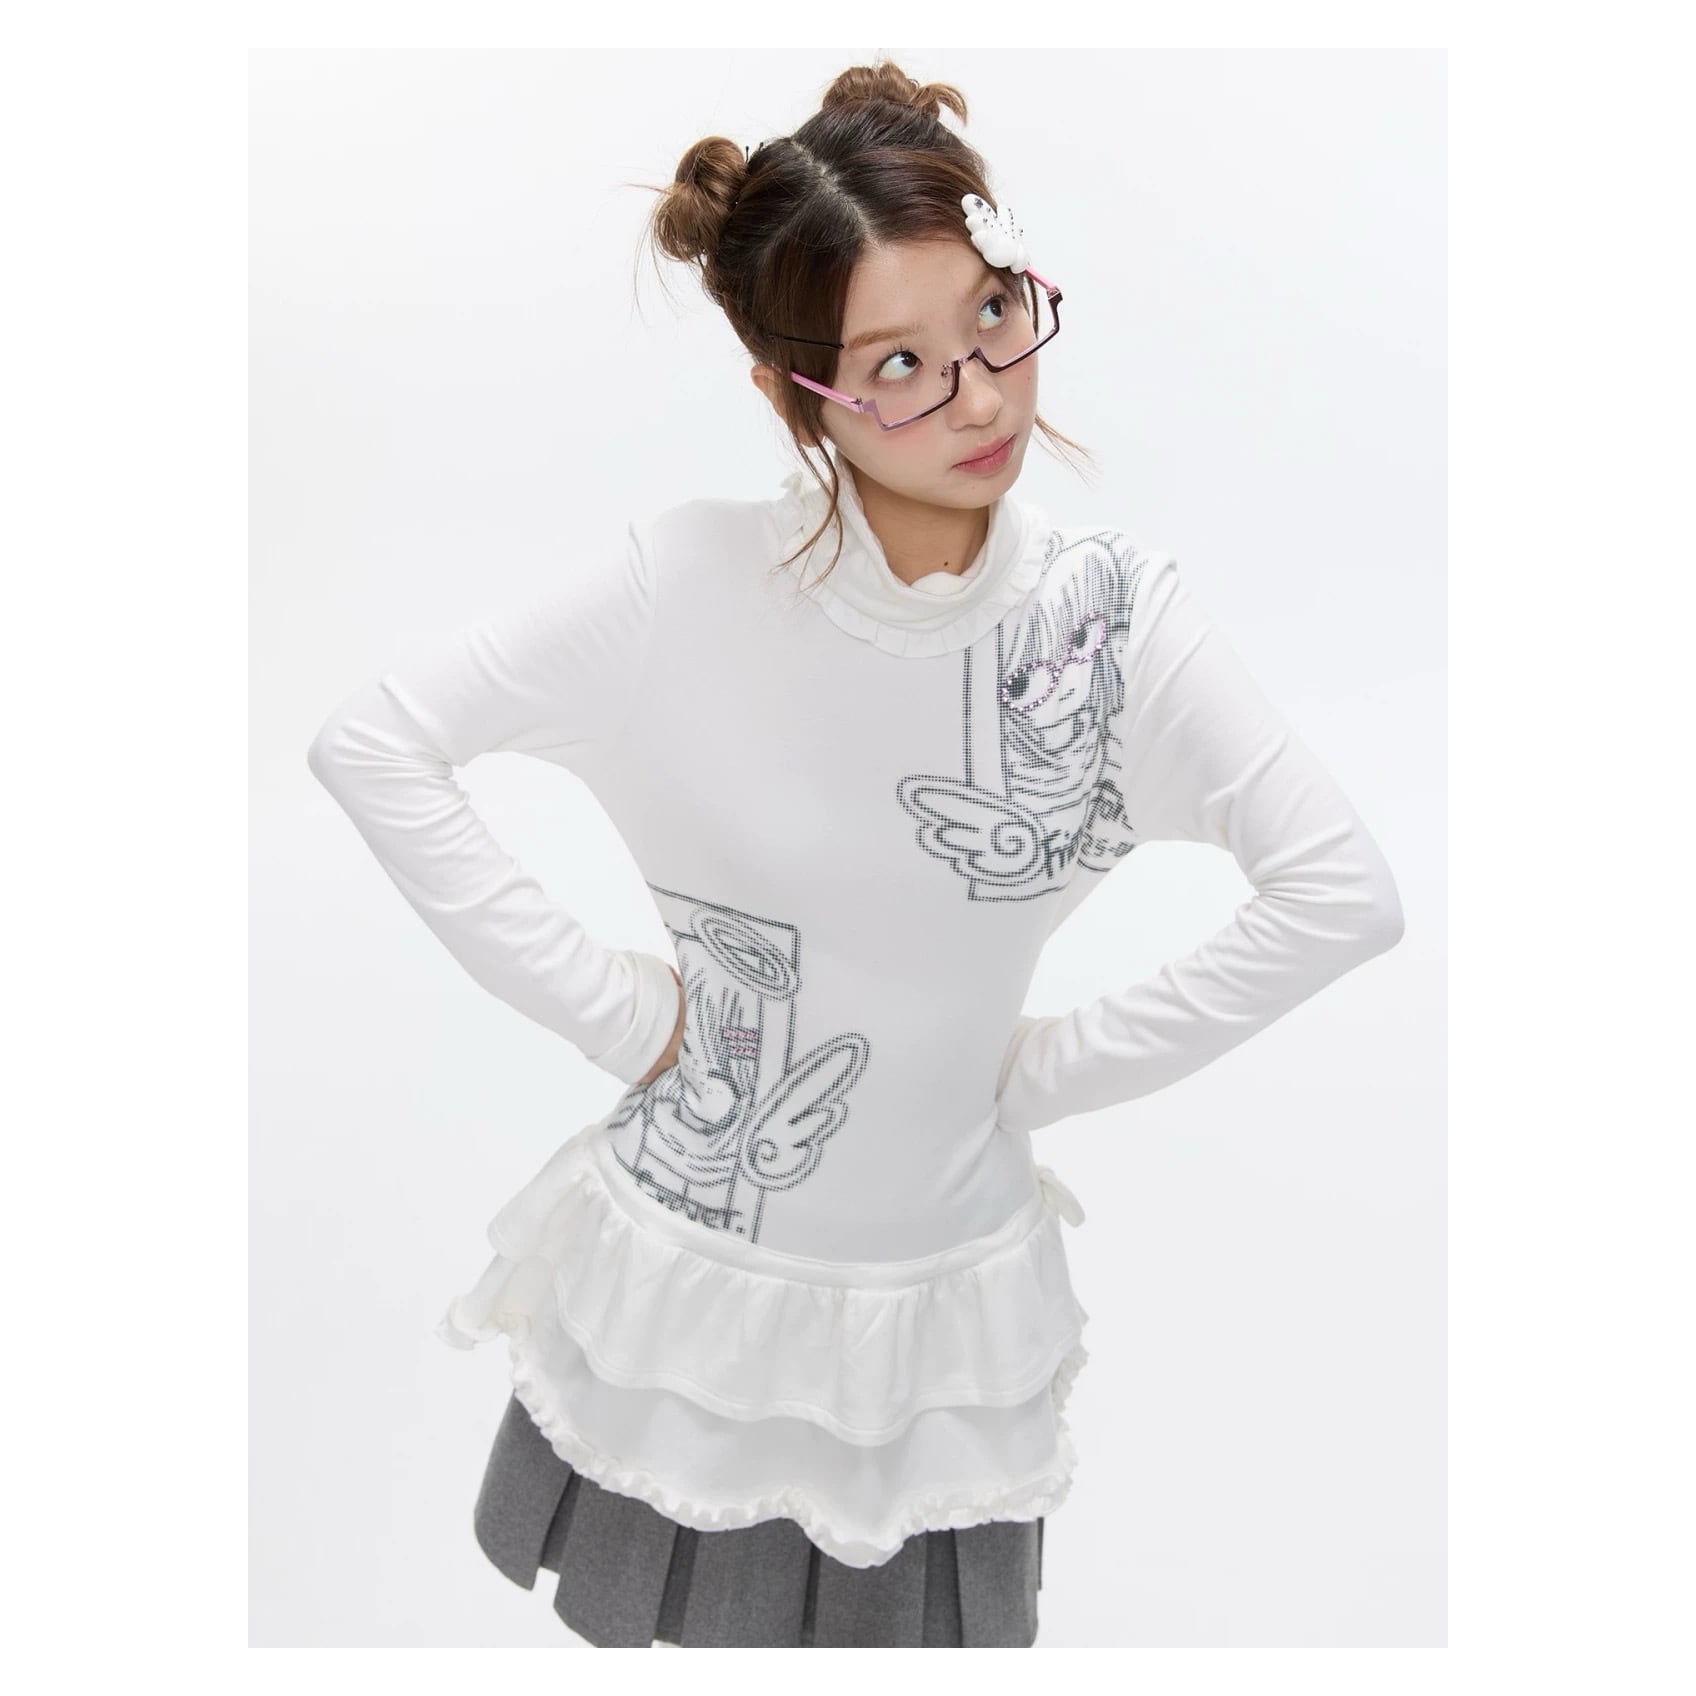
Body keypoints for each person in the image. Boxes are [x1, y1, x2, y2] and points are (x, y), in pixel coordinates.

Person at [305, 57, 1405, 1649]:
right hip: (691, 1302)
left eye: (994, 319)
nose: (980, 396)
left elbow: (1340, 893)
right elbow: (377, 745)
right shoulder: (685, 586)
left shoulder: (1111, 625)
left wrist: (1041, 1071)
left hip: (941, 1330)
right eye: (899, 364)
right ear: (790, 394)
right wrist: (623, 1018)